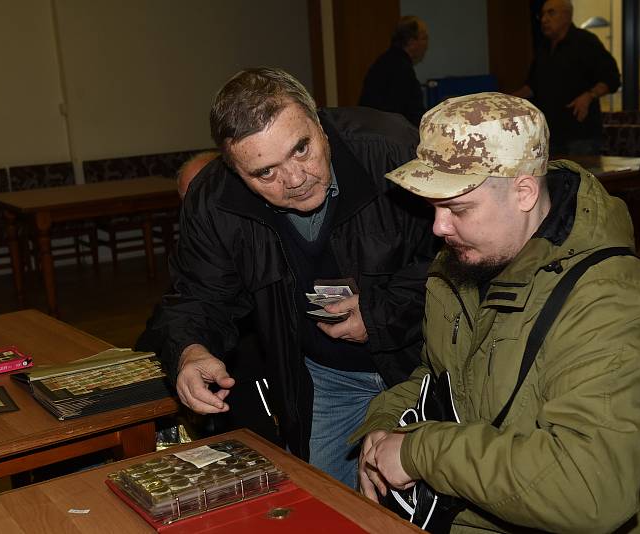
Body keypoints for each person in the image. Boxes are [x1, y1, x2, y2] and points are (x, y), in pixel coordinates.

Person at [355, 92, 640, 532]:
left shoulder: (610, 303)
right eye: (432, 207)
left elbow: (590, 490)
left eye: (457, 208)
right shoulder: (469, 263)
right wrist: (382, 431)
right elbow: (440, 383)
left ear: (524, 192)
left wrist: (419, 452)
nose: (438, 227)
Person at [155, 67, 440, 488]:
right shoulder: (214, 201)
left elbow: (457, 258)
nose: (294, 179)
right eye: (264, 173)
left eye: (301, 149)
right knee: (327, 502)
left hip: (426, 363)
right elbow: (197, 295)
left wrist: (379, 315)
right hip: (327, 375)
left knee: (438, 504)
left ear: (319, 124)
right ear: (235, 171)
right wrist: (191, 351)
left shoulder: (390, 148)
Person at [136, 149, 282, 446]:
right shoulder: (197, 250)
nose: (202, 212)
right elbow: (173, 316)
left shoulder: (265, 238)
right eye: (190, 203)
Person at [513, 0, 620, 155]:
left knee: (581, 179)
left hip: (581, 137)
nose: (544, 19)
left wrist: (589, 96)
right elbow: (532, 87)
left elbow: (612, 78)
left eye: (551, 13)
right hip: (549, 135)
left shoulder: (586, 42)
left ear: (567, 16)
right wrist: (505, 100)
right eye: (542, 14)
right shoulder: (543, 48)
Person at [359, 15, 429, 126]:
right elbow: (410, 112)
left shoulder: (385, 61)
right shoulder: (401, 69)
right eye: (424, 38)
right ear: (411, 42)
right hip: (388, 134)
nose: (426, 44)